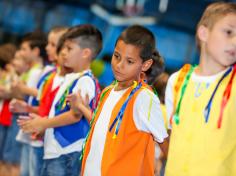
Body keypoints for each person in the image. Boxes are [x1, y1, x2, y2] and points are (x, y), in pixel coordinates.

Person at [81, 25, 169, 176]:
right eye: (116, 56)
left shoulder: (144, 97)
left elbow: (164, 143)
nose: (119, 65)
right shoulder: (108, 91)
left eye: (129, 61)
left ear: (146, 65)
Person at [19, 24, 102, 176]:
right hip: (58, 150)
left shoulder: (85, 80)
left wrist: (44, 123)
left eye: (69, 49)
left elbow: (74, 115)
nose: (63, 53)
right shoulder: (72, 78)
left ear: (85, 53)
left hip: (67, 152)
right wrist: (41, 119)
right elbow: (59, 110)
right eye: (63, 48)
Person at [164, 2, 236, 175]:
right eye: (228, 32)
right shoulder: (177, 81)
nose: (235, 41)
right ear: (203, 33)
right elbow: (171, 135)